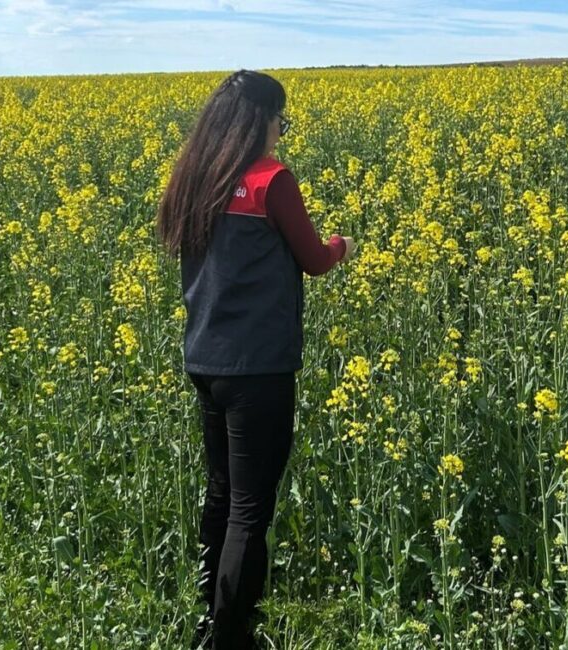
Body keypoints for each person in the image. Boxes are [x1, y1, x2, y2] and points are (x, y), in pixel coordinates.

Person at [155, 68, 357, 649]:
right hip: (258, 367)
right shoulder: (272, 180)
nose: (279, 131)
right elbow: (314, 259)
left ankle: (208, 618)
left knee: (221, 493)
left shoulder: (195, 176)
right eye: (279, 120)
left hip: (205, 360)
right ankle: (231, 636)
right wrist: (341, 246)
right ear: (259, 120)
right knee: (249, 507)